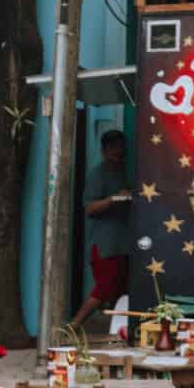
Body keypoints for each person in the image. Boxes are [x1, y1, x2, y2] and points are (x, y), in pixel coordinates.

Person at [74, 127, 131, 327]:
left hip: (125, 243)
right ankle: (74, 325)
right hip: (105, 244)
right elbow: (89, 208)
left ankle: (117, 331)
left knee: (122, 289)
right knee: (105, 287)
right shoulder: (97, 174)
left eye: (121, 148)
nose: (118, 152)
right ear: (104, 151)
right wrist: (115, 198)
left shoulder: (125, 171)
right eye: (113, 148)